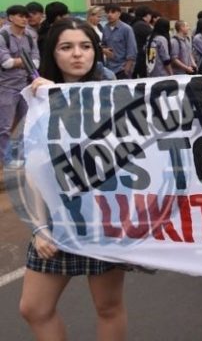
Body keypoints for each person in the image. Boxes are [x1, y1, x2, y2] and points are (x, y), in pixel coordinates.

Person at [19, 18, 127, 341]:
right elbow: (32, 168)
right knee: (34, 308)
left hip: (104, 216)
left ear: (96, 51)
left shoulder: (113, 92)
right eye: (67, 47)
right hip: (55, 217)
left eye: (86, 46)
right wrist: (39, 226)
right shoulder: (39, 100)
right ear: (53, 53)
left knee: (108, 306)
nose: (78, 54)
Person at [0, 5, 39, 159]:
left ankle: (22, 158)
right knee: (5, 127)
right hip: (5, 87)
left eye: (26, 16)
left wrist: (18, 61)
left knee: (25, 125)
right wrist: (26, 61)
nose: (24, 19)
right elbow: (6, 63)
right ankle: (4, 161)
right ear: (10, 18)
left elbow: (36, 63)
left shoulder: (30, 35)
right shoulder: (2, 36)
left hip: (26, 86)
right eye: (20, 16)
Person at [101, 4, 137, 79]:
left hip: (122, 68)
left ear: (119, 13)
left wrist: (127, 67)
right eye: (107, 12)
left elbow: (132, 49)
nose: (109, 15)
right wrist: (104, 50)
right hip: (109, 68)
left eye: (113, 12)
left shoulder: (126, 29)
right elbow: (103, 44)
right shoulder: (105, 28)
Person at [131, 6, 153, 78]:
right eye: (150, 15)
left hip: (135, 56)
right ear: (146, 15)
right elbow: (153, 38)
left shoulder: (134, 24)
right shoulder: (143, 25)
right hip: (141, 57)